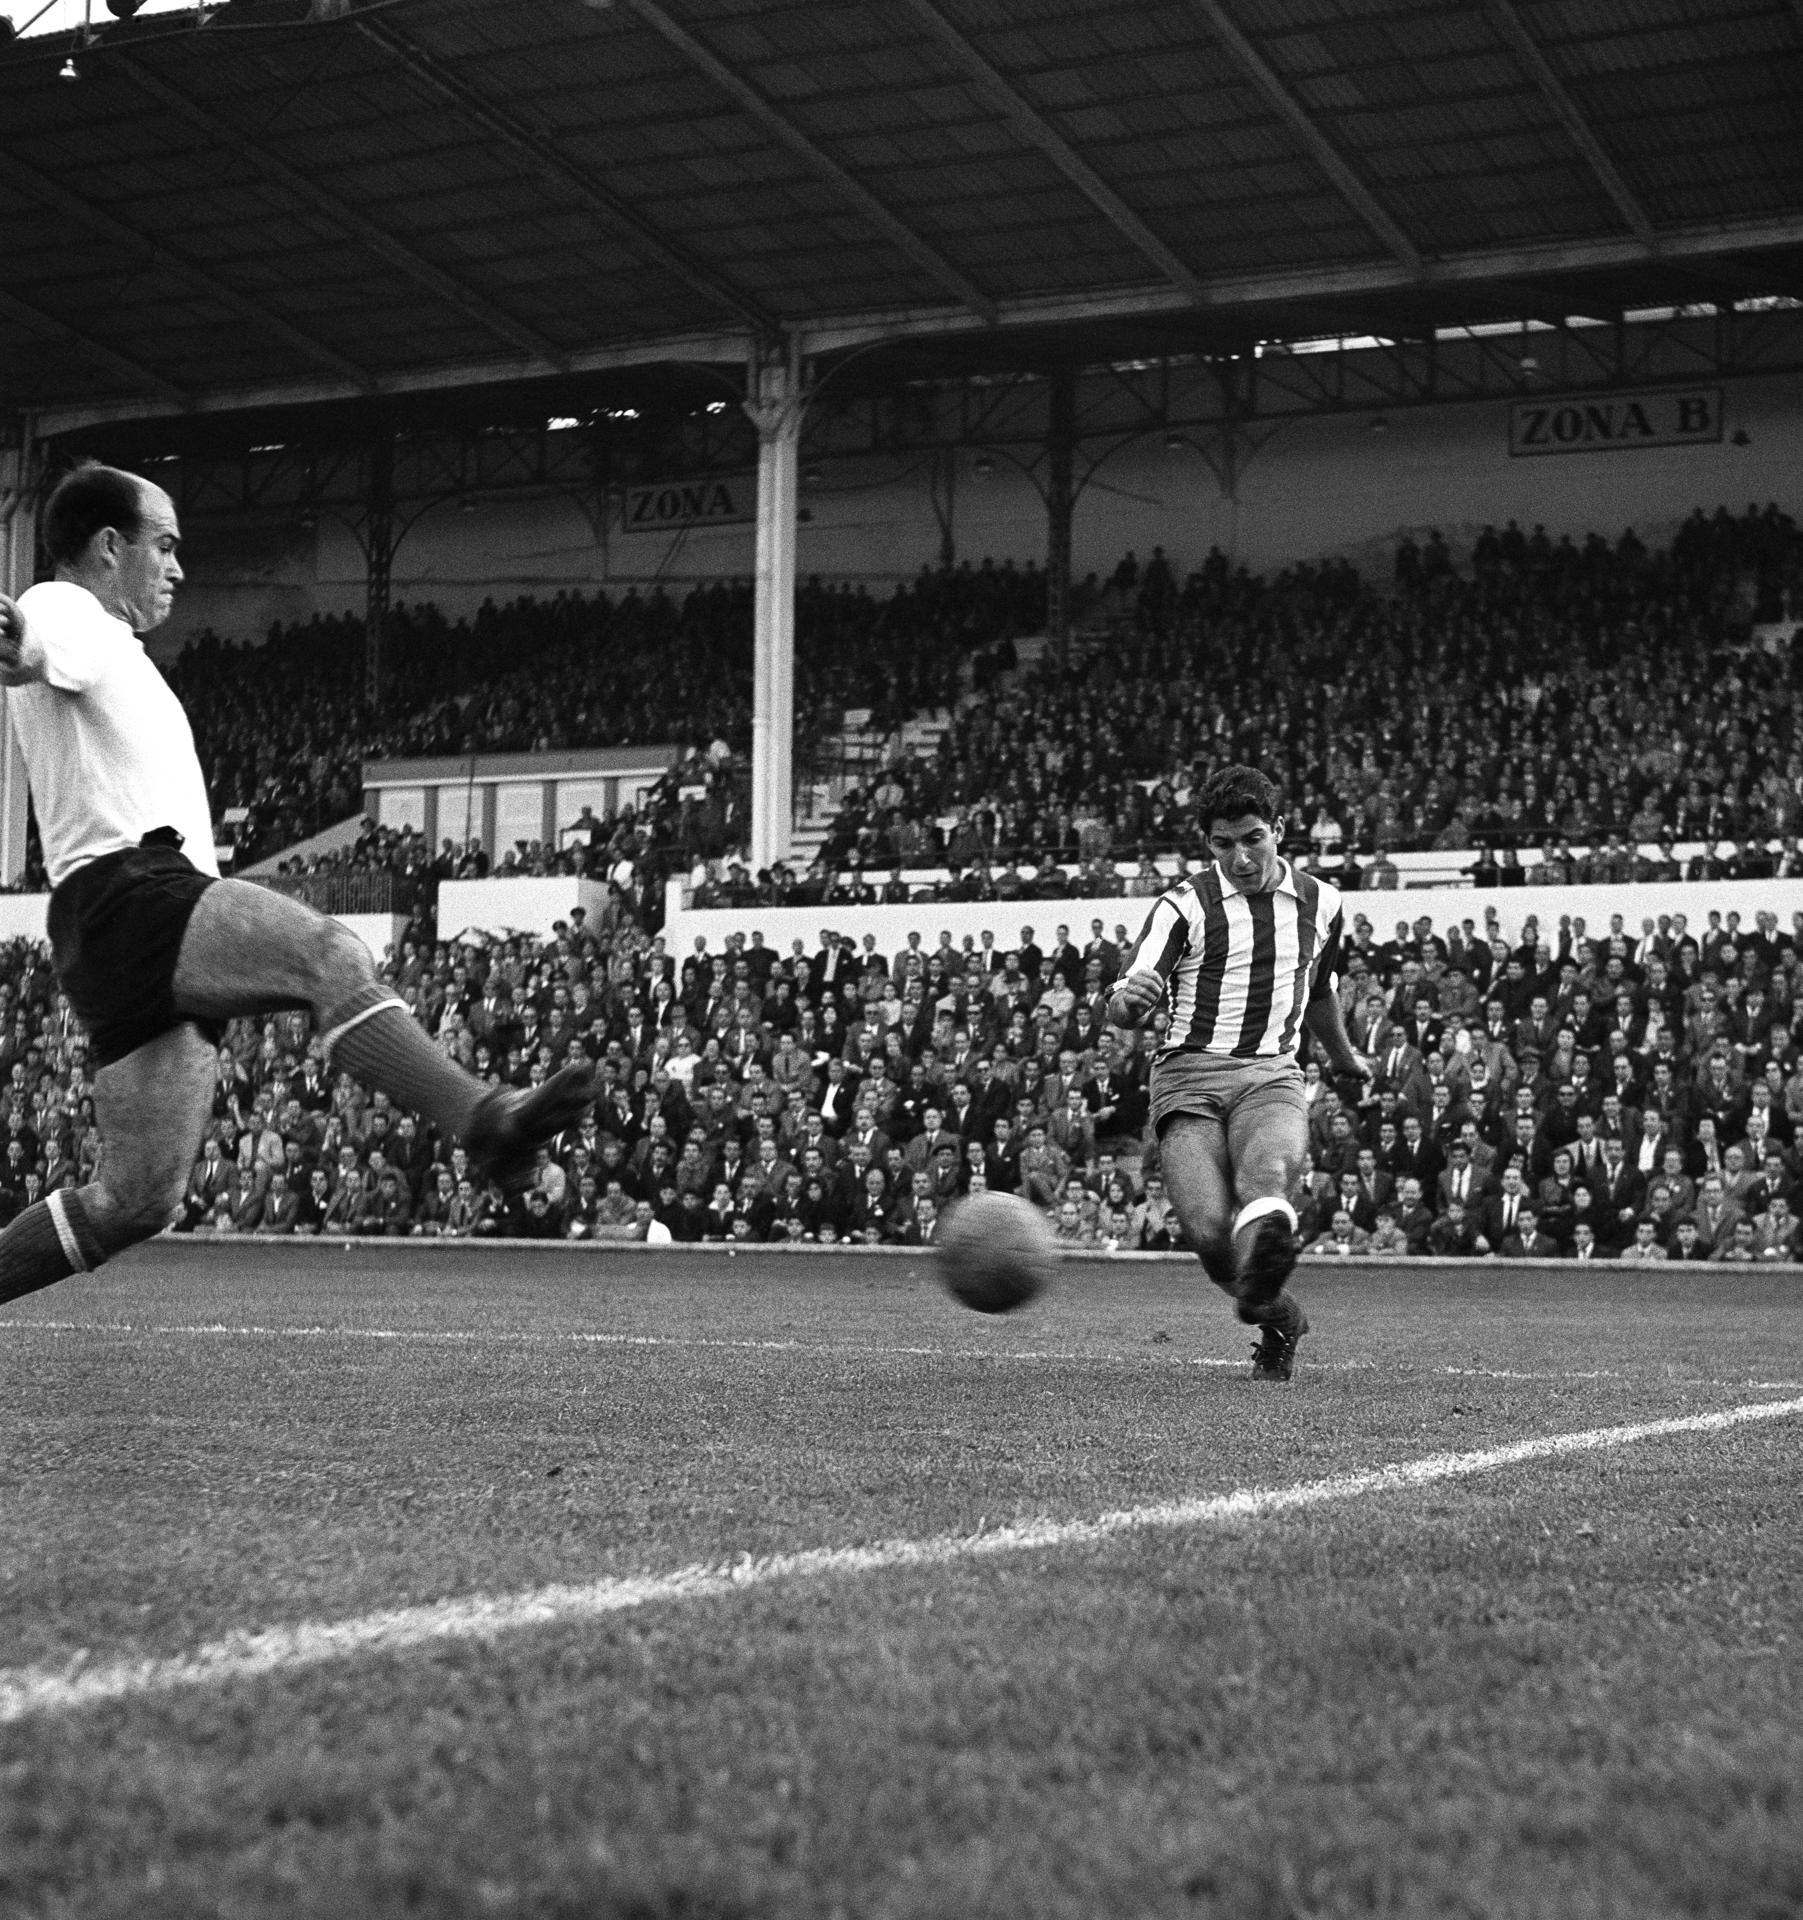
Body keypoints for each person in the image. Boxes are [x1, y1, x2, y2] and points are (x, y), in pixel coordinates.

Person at [0, 462, 596, 1309]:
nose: (177, 568)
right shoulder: (71, 610)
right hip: (132, 892)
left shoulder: (117, 658)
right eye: (164, 546)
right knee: (329, 952)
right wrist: (15, 636)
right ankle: (481, 1118)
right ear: (108, 546)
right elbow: (33, 637)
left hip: (115, 928)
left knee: (132, 1202)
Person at [1107, 765, 1370, 1381]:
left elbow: (1322, 988)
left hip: (1272, 1074)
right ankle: (1276, 1311)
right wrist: (1127, 1000)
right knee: (1206, 1233)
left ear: (1279, 829)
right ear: (1208, 844)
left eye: (1253, 838)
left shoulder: (1323, 902)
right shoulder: (1182, 906)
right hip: (1188, 1076)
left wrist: (1342, 1056)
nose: (1241, 857)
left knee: (1268, 1177)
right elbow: (1125, 1000)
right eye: (1224, 844)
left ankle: (1267, 1266)